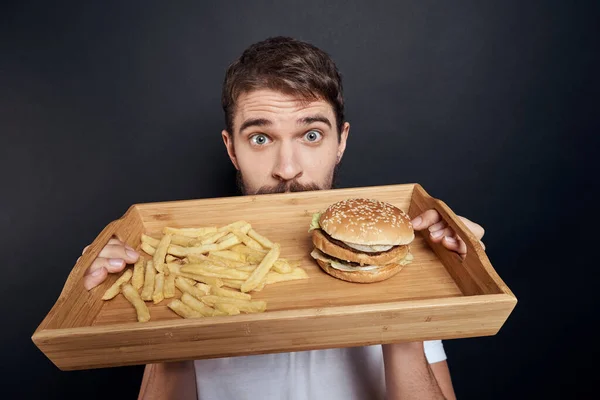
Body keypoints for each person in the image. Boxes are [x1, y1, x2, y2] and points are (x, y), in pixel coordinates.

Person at [81, 36, 485, 400]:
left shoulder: (391, 252)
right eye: (260, 138)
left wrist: (402, 310)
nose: (287, 169)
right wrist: (151, 302)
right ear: (232, 149)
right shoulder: (184, 274)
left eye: (311, 135)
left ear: (340, 142)